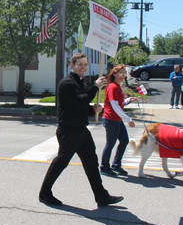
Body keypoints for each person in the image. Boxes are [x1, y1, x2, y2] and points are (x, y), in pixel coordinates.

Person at [39, 53, 124, 207]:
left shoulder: (81, 83)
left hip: (81, 131)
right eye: (80, 64)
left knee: (92, 163)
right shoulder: (67, 84)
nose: (83, 67)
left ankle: (101, 196)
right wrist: (95, 88)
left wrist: (94, 110)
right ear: (72, 66)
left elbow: (82, 107)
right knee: (61, 162)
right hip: (69, 131)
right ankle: (44, 194)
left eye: (85, 64)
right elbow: (81, 100)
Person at [100, 64, 136, 177]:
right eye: (121, 73)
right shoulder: (112, 87)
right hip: (111, 119)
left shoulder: (117, 86)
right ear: (115, 74)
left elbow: (119, 103)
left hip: (117, 119)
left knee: (124, 141)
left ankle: (116, 165)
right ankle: (104, 167)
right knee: (110, 143)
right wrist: (128, 120)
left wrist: (128, 100)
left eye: (124, 73)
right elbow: (114, 106)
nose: (123, 75)